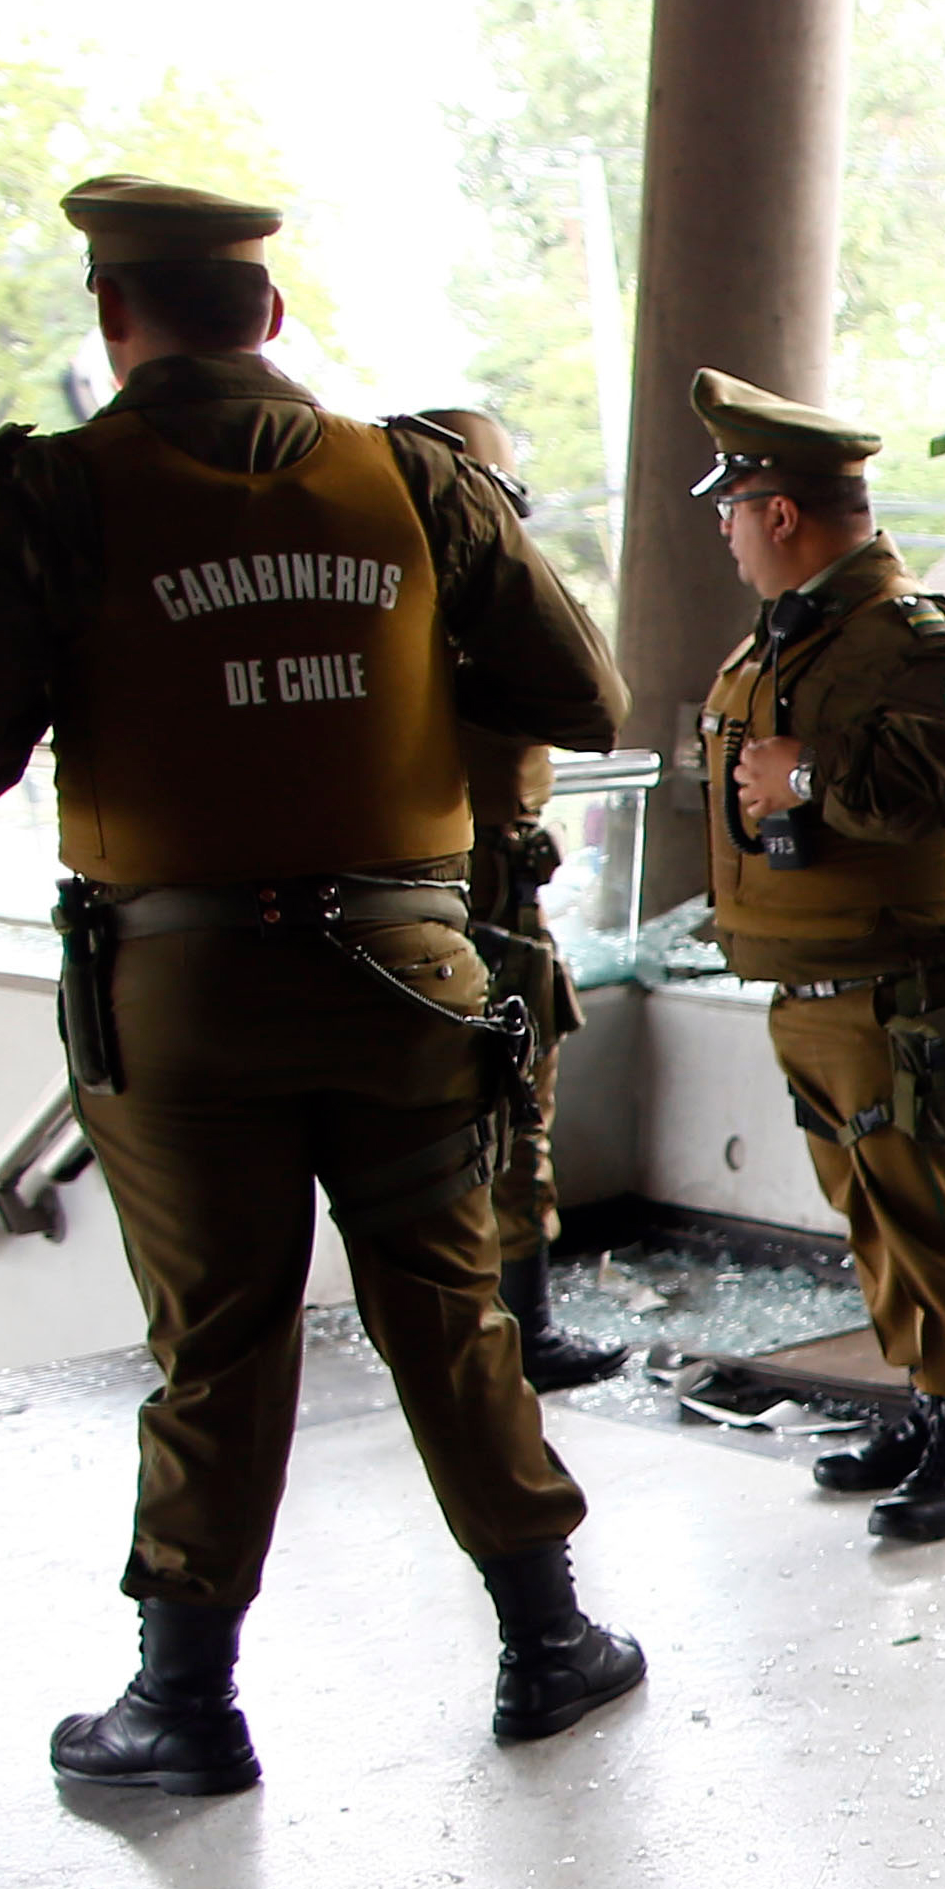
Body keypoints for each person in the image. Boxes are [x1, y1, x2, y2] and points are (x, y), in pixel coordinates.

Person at [0, 175, 652, 1789]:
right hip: (409, 972)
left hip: (188, 992)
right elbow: (582, 691)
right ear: (270, 317)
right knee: (448, 1304)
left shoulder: (53, 495)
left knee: (220, 1337)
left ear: (114, 319)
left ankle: (187, 1702)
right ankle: (549, 1637)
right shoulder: (416, 479)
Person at [688, 368, 945, 1543]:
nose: (728, 537)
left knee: (935, 1216)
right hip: (819, 987)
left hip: (904, 991)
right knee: (876, 1221)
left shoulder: (903, 637)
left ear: (779, 511)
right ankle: (924, 1404)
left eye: (732, 511)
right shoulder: (789, 643)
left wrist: (810, 779)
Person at [414, 405, 626, 1393]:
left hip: (442, 885)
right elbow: (591, 696)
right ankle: (519, 1329)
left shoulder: (382, 607)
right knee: (509, 1111)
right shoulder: (471, 614)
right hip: (477, 888)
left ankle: (488, 1324)